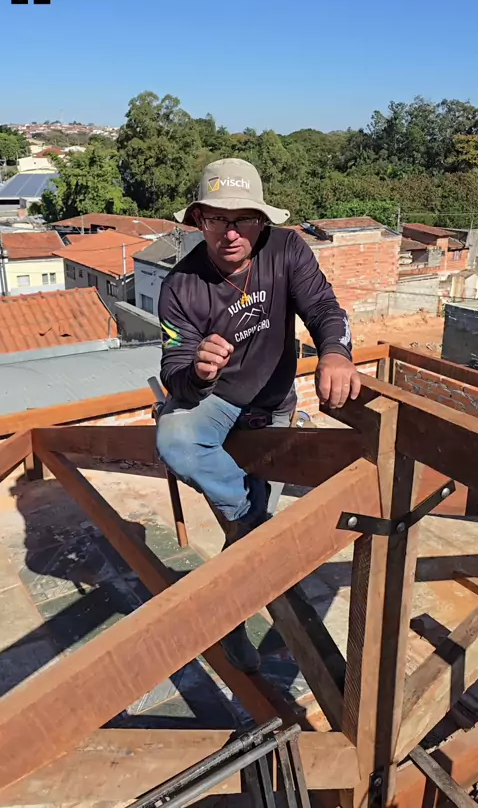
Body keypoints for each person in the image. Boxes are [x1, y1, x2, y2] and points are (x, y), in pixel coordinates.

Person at [157, 157, 360, 673]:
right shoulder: (180, 286)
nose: (230, 233)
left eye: (243, 218)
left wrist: (336, 352)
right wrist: (198, 371)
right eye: (216, 219)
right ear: (198, 219)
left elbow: (324, 307)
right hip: (216, 400)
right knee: (178, 441)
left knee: (240, 537)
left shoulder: (286, 249)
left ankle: (230, 618)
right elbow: (174, 370)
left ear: (262, 220)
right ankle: (253, 524)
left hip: (273, 403)